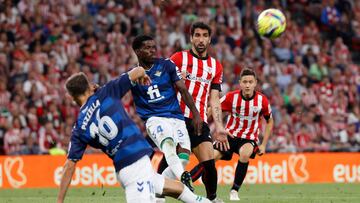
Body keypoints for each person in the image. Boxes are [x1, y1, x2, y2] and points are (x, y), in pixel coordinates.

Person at [57, 70, 211, 203]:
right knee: (173, 189)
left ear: (72, 97)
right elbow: (137, 71)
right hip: (137, 160)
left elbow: (69, 166)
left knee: (177, 189)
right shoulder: (107, 92)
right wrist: (142, 75)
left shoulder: (79, 126)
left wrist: (59, 201)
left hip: (127, 168)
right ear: (89, 86)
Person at [130, 35, 202, 191]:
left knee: (183, 157)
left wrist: (196, 114)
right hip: (154, 119)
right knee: (168, 145)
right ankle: (184, 178)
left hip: (176, 117)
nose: (152, 50)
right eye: (147, 48)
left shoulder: (166, 65)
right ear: (137, 51)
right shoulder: (133, 75)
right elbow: (116, 88)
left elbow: (182, 89)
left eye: (153, 47)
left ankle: (155, 189)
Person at [190, 68, 274, 201]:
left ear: (255, 83)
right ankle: (188, 180)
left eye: (250, 82)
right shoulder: (231, 97)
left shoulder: (262, 101)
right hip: (229, 136)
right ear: (240, 83)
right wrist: (201, 120)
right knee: (210, 160)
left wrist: (263, 144)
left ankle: (234, 190)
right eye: (245, 82)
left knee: (245, 153)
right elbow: (214, 108)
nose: (247, 85)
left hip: (249, 138)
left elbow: (269, 121)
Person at [170, 22, 230, 202]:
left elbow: (214, 98)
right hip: (177, 119)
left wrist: (219, 127)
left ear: (210, 39)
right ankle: (155, 195)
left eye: (205, 35)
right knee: (173, 161)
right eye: (197, 35)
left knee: (209, 164)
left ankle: (212, 199)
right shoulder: (178, 59)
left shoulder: (215, 66)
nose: (201, 39)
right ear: (191, 38)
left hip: (200, 122)